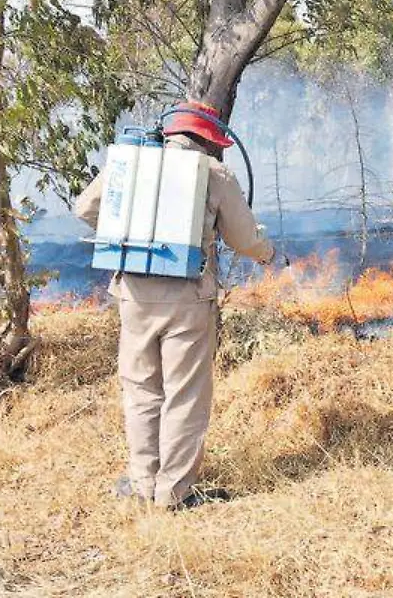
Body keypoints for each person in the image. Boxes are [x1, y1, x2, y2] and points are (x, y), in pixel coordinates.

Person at [74, 100, 275, 509]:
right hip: (187, 299)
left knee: (142, 388)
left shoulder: (131, 163)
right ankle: (175, 493)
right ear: (207, 139)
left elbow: (85, 208)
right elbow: (245, 239)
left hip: (132, 295)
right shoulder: (214, 174)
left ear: (172, 132)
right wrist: (268, 254)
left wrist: (127, 233)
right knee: (184, 393)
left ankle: (143, 482)